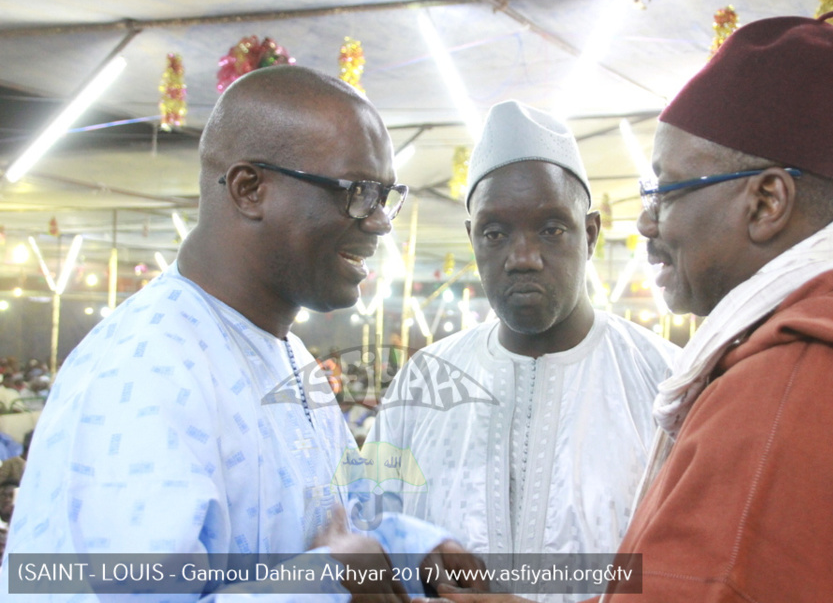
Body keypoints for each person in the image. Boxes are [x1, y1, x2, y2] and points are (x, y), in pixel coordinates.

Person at [444, 9, 833, 603]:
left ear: (766, 201)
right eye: (493, 234)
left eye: (667, 189)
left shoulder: (794, 392)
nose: (645, 220)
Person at [0, 65, 482, 601]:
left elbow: (340, 521)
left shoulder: (290, 357)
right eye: (359, 192)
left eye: (386, 196)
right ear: (250, 189)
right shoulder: (140, 372)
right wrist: (333, 585)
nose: (380, 222)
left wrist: (420, 552)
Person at [366, 101, 677, 562]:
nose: (523, 257)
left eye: (552, 229)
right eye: (495, 233)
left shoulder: (668, 384)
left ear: (590, 235)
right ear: (473, 238)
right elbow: (372, 538)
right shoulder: (424, 382)